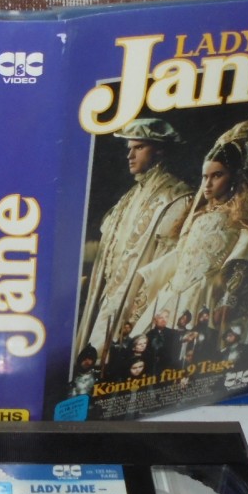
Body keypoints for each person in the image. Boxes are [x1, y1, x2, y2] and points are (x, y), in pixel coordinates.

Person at [131, 120, 248, 355]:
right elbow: (181, 256)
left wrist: (227, 300)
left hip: (207, 296)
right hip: (174, 292)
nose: (208, 184)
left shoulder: (239, 223)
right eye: (205, 177)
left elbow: (241, 262)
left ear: (233, 177)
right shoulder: (197, 216)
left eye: (217, 176)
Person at [75, 118, 193, 358]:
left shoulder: (177, 197)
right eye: (129, 148)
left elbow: (165, 268)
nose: (130, 155)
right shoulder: (128, 198)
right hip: (108, 297)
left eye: (139, 147)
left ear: (159, 150)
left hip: (136, 301)